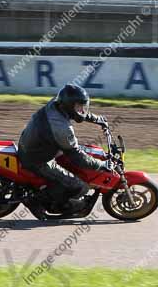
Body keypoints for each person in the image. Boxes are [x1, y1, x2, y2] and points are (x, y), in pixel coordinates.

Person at [18, 83, 111, 218]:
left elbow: (79, 114)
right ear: (69, 105)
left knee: (81, 154)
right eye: (78, 106)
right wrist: (101, 165)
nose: (81, 109)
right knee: (79, 186)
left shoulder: (56, 104)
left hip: (34, 144)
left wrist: (97, 119)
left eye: (82, 106)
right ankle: (35, 201)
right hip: (37, 159)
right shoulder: (61, 127)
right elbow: (77, 156)